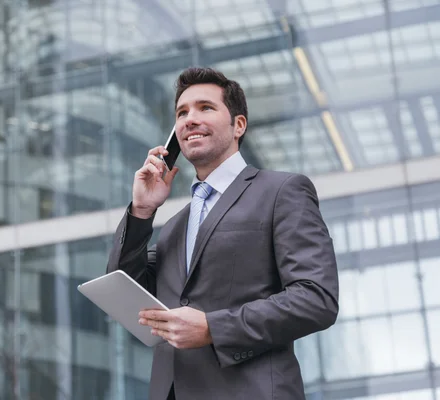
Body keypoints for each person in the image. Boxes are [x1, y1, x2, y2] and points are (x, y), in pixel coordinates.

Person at [106, 67, 339, 400]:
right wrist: (142, 211)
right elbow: (124, 291)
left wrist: (213, 327)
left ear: (238, 125)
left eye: (206, 108)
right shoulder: (175, 226)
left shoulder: (282, 191)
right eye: (181, 113)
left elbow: (317, 299)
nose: (189, 119)